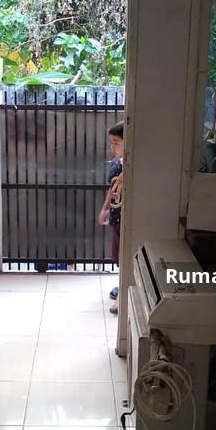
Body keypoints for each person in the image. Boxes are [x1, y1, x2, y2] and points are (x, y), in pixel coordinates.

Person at [98, 120, 124, 315]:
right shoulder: (116, 164)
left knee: (125, 255)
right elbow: (112, 188)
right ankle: (121, 288)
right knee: (118, 256)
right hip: (117, 216)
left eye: (116, 143)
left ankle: (121, 298)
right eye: (112, 143)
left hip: (128, 218)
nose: (112, 147)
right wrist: (106, 208)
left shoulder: (133, 166)